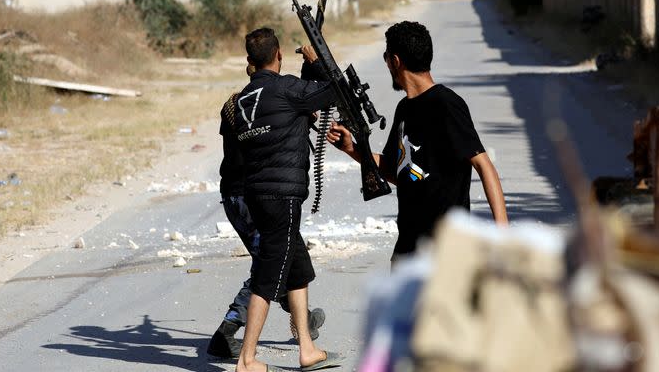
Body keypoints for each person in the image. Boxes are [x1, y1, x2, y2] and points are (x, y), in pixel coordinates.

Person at [327, 21, 509, 266]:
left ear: (396, 60)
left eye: (386, 57)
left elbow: (483, 165)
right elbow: (397, 171)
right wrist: (353, 149)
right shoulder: (404, 109)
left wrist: (503, 235)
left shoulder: (446, 104)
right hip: (408, 247)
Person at [234, 28, 344, 372]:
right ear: (279, 55)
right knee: (269, 276)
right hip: (283, 195)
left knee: (297, 269)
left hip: (257, 195)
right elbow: (335, 92)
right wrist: (318, 61)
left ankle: (307, 349)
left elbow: (296, 106)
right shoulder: (286, 89)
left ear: (250, 62)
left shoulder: (241, 101)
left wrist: (309, 76)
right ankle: (246, 360)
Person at [207, 63, 325, 359]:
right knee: (271, 260)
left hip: (236, 196)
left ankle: (303, 324)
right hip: (253, 194)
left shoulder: (236, 104)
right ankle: (229, 331)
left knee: (286, 257)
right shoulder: (266, 101)